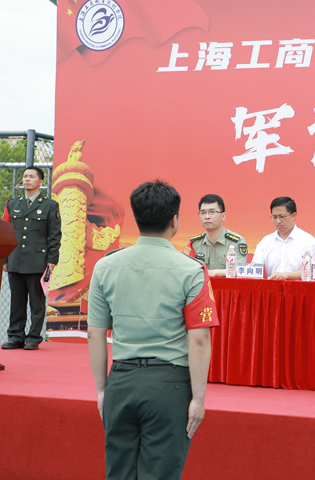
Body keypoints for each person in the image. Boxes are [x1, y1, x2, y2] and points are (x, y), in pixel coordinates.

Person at [87, 180, 220, 479]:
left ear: (137, 218)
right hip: (169, 387)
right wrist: (198, 399)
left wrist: (102, 390)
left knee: (119, 473)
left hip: (120, 382)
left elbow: (95, 333)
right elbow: (199, 341)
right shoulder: (191, 270)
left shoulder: (105, 266)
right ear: (174, 220)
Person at [1, 166, 62, 350]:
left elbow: (54, 235)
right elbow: (5, 232)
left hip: (37, 261)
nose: (27, 179)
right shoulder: (12, 204)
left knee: (37, 303)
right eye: (25, 176)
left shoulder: (50, 205)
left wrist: (52, 260)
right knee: (16, 302)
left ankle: (34, 337)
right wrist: (4, 258)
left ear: (41, 181)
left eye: (31, 176)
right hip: (15, 259)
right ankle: (15, 336)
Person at [251, 196, 315, 280]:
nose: (278, 221)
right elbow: (254, 268)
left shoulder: (307, 240)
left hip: (297, 287)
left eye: (282, 217)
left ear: (293, 215)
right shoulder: (265, 241)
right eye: (275, 217)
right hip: (272, 286)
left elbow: (307, 272)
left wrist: (285, 276)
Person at [183, 194, 247, 277]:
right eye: (203, 213)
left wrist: (214, 273)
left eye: (212, 212)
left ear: (223, 216)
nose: (207, 217)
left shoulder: (236, 242)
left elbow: (240, 269)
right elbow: (186, 269)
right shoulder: (195, 243)